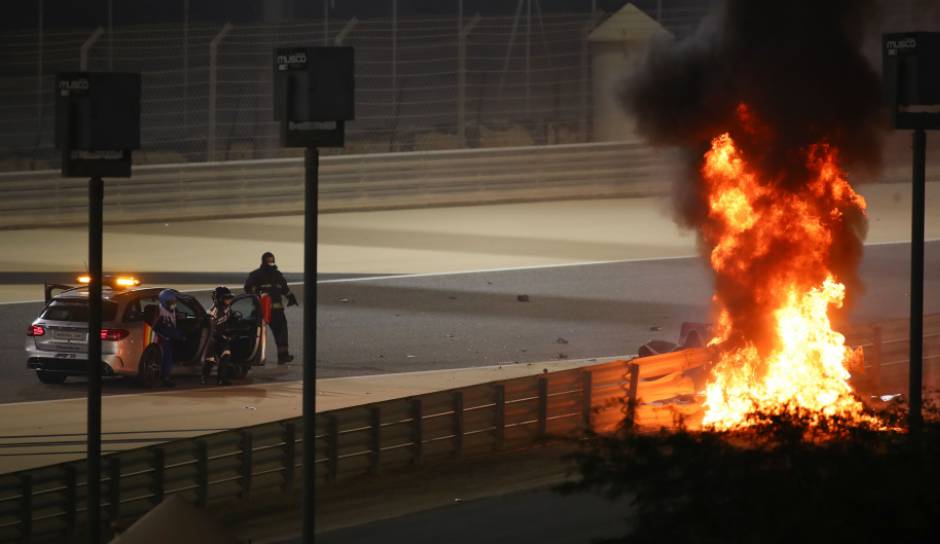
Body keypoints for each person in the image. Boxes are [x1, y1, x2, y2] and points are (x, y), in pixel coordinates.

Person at [244, 252, 298, 364]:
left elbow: (285, 289)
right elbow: (248, 289)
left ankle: (283, 356)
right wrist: (258, 296)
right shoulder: (255, 275)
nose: (271, 263)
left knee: (281, 332)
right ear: (263, 261)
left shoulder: (278, 275)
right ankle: (252, 355)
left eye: (272, 261)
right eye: (268, 261)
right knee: (256, 333)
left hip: (277, 311)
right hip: (261, 310)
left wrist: (291, 298)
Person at [202, 286, 236, 385]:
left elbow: (228, 320)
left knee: (226, 355)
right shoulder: (215, 311)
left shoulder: (227, 308)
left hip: (222, 338)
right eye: (226, 298)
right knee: (210, 360)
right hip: (213, 339)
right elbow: (212, 328)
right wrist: (223, 334)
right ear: (220, 299)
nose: (229, 300)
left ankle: (222, 379)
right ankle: (204, 377)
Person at [153, 289, 184, 387]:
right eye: (172, 302)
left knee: (169, 357)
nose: (174, 304)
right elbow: (160, 327)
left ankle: (165, 375)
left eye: (175, 302)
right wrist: (177, 335)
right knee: (167, 358)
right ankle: (165, 378)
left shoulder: (172, 310)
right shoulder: (159, 311)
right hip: (162, 338)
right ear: (164, 301)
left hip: (169, 337)